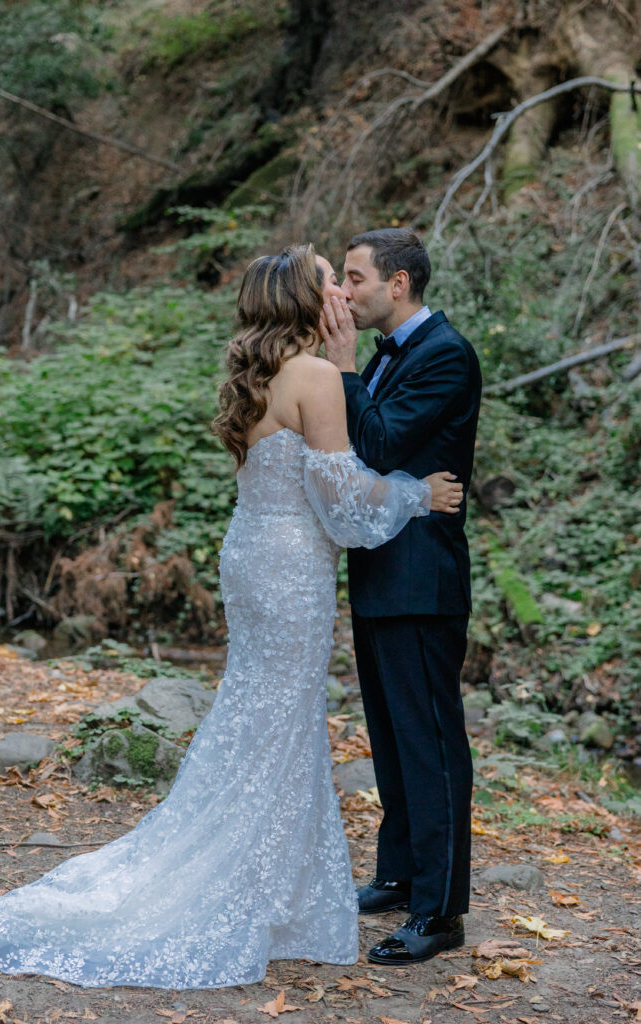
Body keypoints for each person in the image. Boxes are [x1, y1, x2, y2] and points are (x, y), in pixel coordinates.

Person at [0, 244, 463, 989]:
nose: (340, 293)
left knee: (259, 710)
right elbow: (343, 500)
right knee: (281, 716)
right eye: (329, 279)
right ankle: (247, 884)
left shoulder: (256, 377)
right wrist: (419, 495)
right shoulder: (317, 375)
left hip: (251, 556)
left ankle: (269, 883)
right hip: (290, 569)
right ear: (302, 298)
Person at [319, 227, 482, 966]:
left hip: (421, 580)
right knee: (389, 737)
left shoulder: (445, 355)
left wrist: (344, 366)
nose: (343, 293)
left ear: (398, 284)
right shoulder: (395, 355)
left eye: (353, 279)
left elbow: (378, 443)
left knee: (430, 744)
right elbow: (356, 457)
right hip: (380, 570)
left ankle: (439, 911)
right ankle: (398, 871)